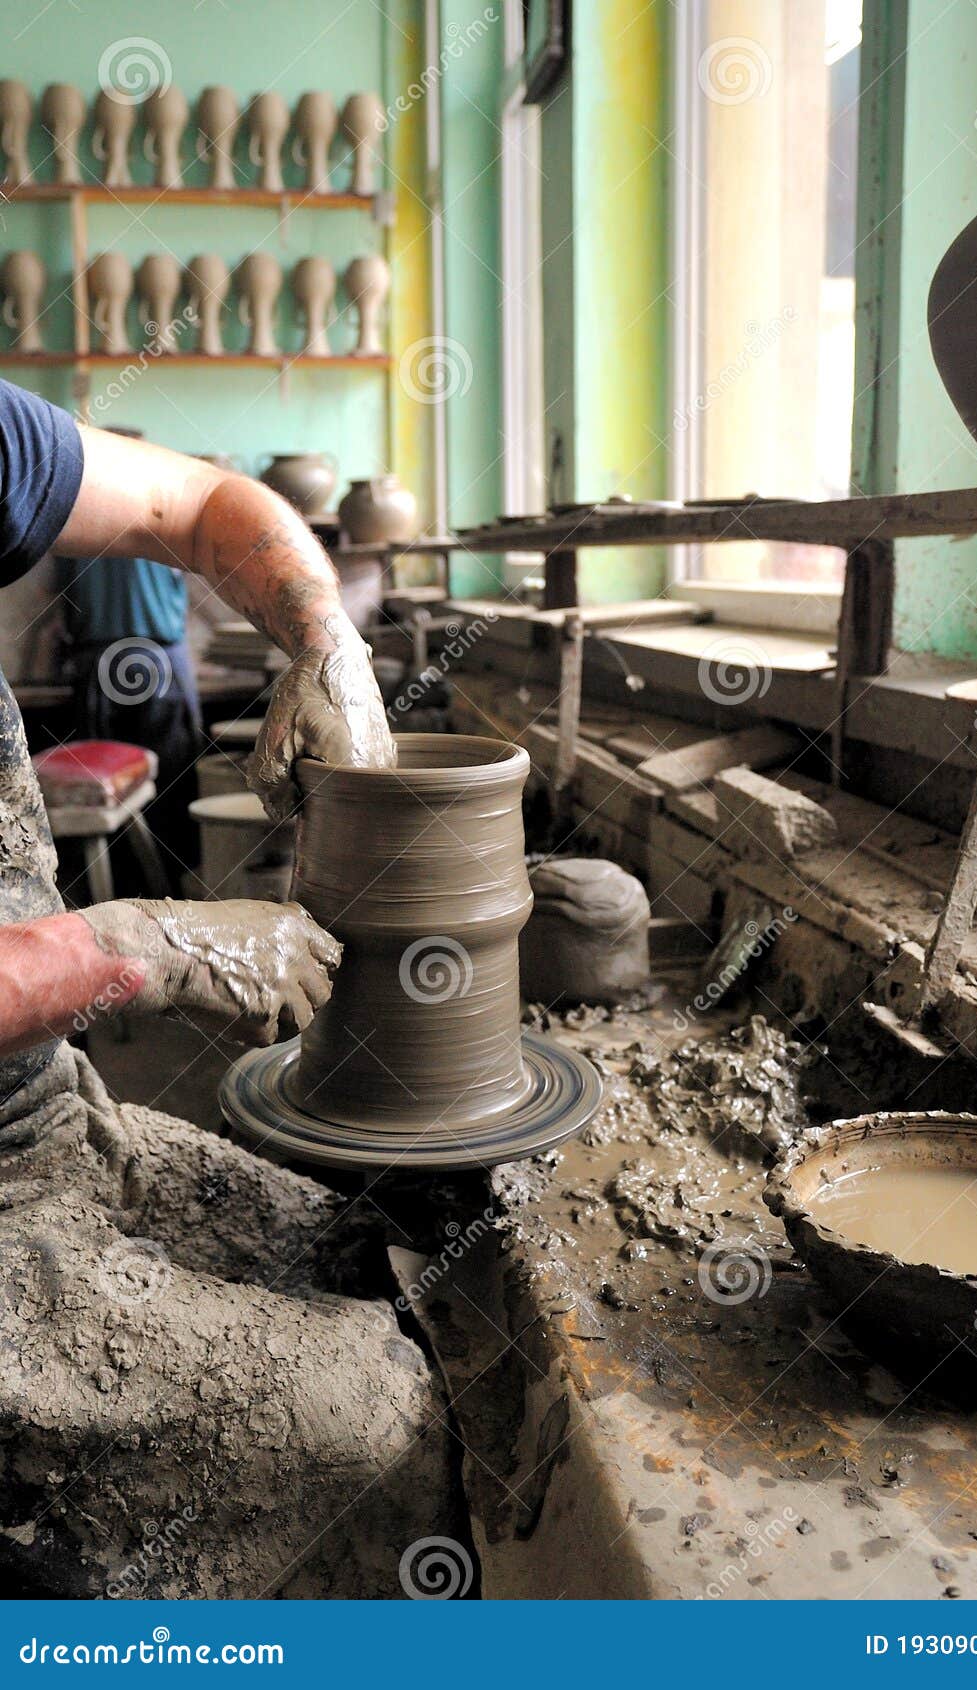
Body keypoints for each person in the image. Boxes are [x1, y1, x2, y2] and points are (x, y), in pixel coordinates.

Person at [0, 379, 455, 1597]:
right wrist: (144, 942)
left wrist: (324, 644)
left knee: (365, 1253)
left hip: (41, 1120)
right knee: (378, 1424)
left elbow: (197, 500)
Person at [54, 426, 203, 883]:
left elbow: (64, 599)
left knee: (107, 790)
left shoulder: (68, 508)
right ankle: (171, 889)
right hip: (159, 658)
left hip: (100, 661)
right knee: (169, 783)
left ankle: (122, 891)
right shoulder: (169, 504)